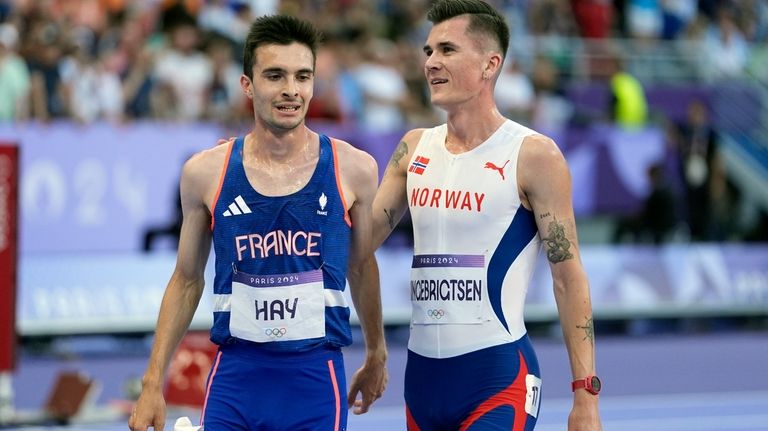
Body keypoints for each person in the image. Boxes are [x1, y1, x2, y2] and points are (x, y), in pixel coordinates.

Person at [129, 15, 387, 431]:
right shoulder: (205, 172)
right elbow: (187, 278)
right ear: (247, 84)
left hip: (315, 383)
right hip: (236, 381)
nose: (291, 90)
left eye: (303, 76)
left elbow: (362, 266)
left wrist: (377, 353)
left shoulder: (354, 168)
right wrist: (152, 382)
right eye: (275, 76)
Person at [364, 1, 602, 430]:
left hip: (497, 379)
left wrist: (585, 394)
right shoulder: (413, 148)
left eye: (447, 50)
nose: (431, 63)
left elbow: (568, 277)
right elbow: (358, 245)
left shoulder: (533, 155)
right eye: (428, 51)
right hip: (421, 383)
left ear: (490, 64)